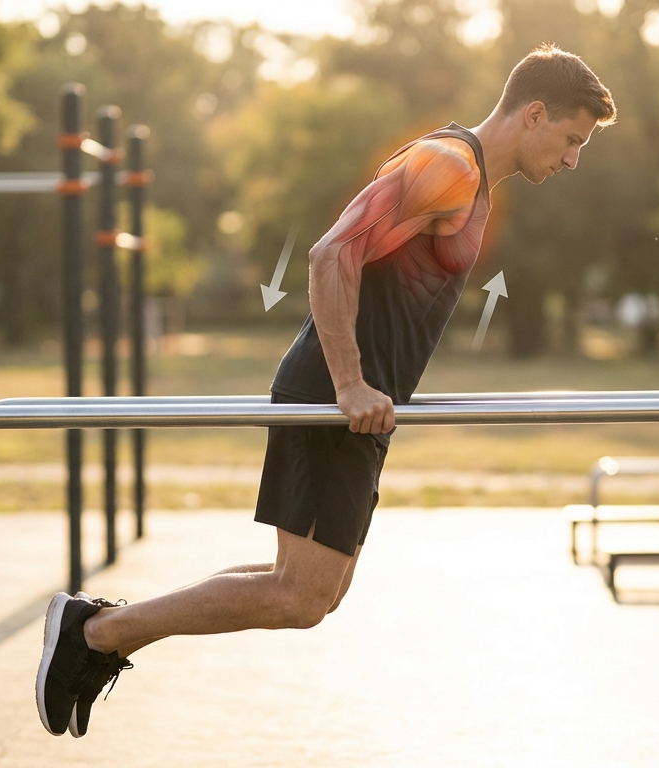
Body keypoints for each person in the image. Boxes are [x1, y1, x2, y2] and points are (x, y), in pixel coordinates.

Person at [37, 43, 617, 738]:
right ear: (534, 113)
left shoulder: (472, 180)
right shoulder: (449, 166)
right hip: (334, 395)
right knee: (301, 594)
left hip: (361, 408)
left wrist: (365, 390)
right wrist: (348, 382)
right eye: (572, 139)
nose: (574, 159)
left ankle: (101, 630)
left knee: (316, 589)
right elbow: (331, 252)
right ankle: (97, 633)